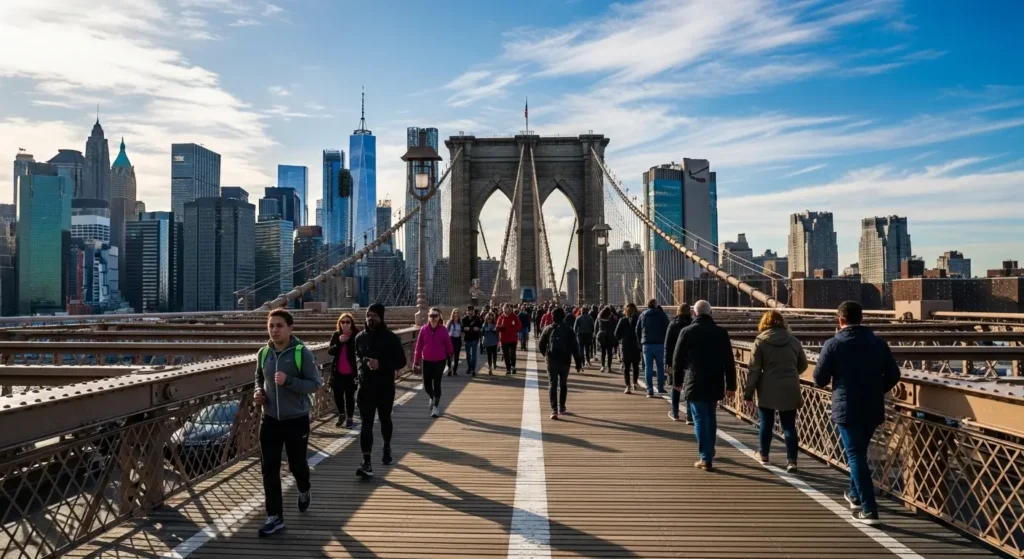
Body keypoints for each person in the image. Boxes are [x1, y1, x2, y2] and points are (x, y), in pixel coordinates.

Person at [813, 301, 901, 526]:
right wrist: (876, 389)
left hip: (847, 407)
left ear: (840, 320)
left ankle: (869, 509)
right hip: (872, 406)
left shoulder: (833, 344)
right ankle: (854, 496)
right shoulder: (879, 344)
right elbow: (893, 374)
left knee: (855, 455)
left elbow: (819, 379)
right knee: (859, 453)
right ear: (862, 319)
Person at [254, 309, 322, 537]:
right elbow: (259, 378)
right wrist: (258, 392)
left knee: (296, 465)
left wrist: (289, 381)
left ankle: (304, 488)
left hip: (296, 419)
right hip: (270, 419)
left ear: (290, 328)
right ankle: (275, 516)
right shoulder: (263, 353)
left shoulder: (301, 353)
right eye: (271, 325)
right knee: (269, 468)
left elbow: (315, 383)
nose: (274, 330)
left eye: (279, 325)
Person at [672, 300, 736, 472]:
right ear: (711, 312)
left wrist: (676, 382)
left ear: (694, 313)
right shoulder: (721, 333)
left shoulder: (687, 331)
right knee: (711, 416)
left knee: (699, 418)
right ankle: (710, 449)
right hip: (715, 380)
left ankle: (705, 457)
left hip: (695, 380)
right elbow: (729, 362)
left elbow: (677, 360)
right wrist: (732, 385)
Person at [743, 310, 806, 473]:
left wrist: (748, 393)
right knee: (789, 426)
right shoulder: (793, 341)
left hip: (768, 386)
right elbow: (804, 365)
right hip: (790, 386)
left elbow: (754, 369)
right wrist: (791, 374)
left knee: (766, 423)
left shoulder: (761, 341)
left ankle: (764, 454)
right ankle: (792, 461)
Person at [354, 303, 408, 478]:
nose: (371, 319)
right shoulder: (360, 338)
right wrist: (363, 366)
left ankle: (386, 446)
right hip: (365, 388)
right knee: (366, 424)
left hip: (385, 387)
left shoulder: (391, 338)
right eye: (368, 315)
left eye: (375, 316)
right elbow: (357, 358)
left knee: (385, 419)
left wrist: (381, 364)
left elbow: (401, 362)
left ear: (381, 317)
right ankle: (367, 462)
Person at [539, 307, 583, 419]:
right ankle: (562, 406)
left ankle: (554, 410)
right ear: (563, 316)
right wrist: (578, 363)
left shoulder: (548, 329)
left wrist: (546, 355)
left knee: (552, 383)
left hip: (551, 360)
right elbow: (575, 347)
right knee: (563, 384)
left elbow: (541, 344)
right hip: (565, 360)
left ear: (552, 317)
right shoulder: (569, 330)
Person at [414, 307, 454, 418]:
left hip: (440, 360)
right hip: (426, 360)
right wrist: (416, 361)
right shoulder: (424, 329)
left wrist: (451, 354)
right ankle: (432, 397)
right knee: (426, 384)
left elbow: (448, 343)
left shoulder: (443, 330)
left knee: (437, 383)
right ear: (428, 317)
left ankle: (436, 407)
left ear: (439, 317)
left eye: (435, 316)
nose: (433, 318)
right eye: (431, 316)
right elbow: (418, 346)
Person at [327, 312, 359, 429]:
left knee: (350, 396)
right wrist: (339, 343)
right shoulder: (336, 335)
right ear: (339, 324)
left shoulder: (357, 335)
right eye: (342, 322)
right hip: (338, 372)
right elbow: (330, 351)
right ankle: (341, 414)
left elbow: (360, 352)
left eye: (347, 322)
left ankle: (350, 418)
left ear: (351, 323)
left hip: (352, 372)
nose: (345, 324)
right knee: (338, 395)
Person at [664, 303, 693, 423]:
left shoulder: (673, 324)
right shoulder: (692, 324)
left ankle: (675, 412)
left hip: (676, 360)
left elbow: (668, 344)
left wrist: (667, 362)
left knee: (676, 386)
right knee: (689, 388)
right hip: (690, 361)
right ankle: (689, 415)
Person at [636, 299, 670, 396]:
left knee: (648, 367)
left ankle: (650, 390)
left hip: (646, 344)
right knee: (660, 366)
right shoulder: (661, 315)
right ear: (656, 305)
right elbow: (667, 328)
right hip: (659, 344)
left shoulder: (642, 315)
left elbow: (637, 329)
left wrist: (640, 341)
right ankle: (660, 388)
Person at [615, 303, 642, 393]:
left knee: (626, 367)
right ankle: (635, 383)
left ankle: (628, 386)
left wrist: (621, 339)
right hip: (636, 345)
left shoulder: (622, 320)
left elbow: (616, 333)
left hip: (625, 346)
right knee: (635, 366)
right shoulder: (638, 320)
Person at [496, 303, 522, 374]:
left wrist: (513, 328)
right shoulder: (501, 317)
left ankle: (513, 366)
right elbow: (497, 327)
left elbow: (519, 325)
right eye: (503, 309)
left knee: (512, 354)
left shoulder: (514, 316)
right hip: (504, 339)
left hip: (513, 338)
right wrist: (501, 326)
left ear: (509, 309)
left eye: (506, 309)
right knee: (506, 354)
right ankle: (508, 368)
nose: (504, 310)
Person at [462, 305, 483, 377]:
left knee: (473, 355)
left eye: (471, 311)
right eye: (469, 311)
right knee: (468, 355)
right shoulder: (464, 319)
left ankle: (473, 369)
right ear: (467, 311)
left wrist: (469, 328)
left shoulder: (477, 318)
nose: (470, 313)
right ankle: (469, 368)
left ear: (473, 311)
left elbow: (480, 326)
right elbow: (463, 328)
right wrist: (473, 328)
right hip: (467, 339)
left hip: (475, 339)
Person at [596, 306, 617, 373]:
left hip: (602, 336)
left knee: (603, 352)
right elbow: (616, 323)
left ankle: (602, 366)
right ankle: (609, 367)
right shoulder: (612, 318)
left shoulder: (599, 317)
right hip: (610, 336)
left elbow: (597, 326)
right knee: (609, 353)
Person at [446, 309, 463, 376]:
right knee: (449, 356)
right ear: (452, 314)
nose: (456, 314)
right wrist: (450, 332)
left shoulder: (460, 323)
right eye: (455, 313)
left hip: (458, 340)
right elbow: (446, 332)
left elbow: (462, 332)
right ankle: (449, 368)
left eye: (457, 313)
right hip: (451, 339)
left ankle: (455, 370)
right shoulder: (450, 322)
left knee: (456, 356)